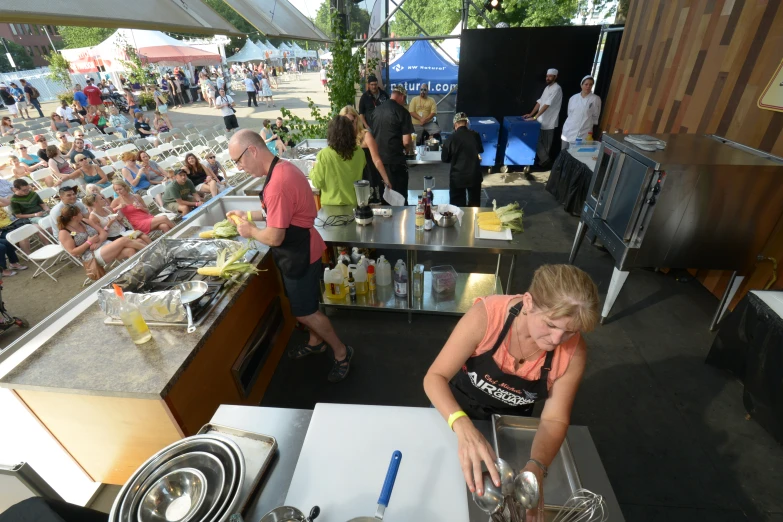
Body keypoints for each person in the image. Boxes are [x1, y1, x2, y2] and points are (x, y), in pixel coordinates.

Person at [423, 264, 599, 520]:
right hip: (453, 410)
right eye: (550, 324)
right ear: (528, 302)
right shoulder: (487, 317)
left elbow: (554, 419)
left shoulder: (574, 352)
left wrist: (537, 467)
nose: (557, 339)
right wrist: (462, 426)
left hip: (508, 425)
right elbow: (434, 378)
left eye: (570, 331)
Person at [226, 129, 355, 382]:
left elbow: (275, 237)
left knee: (305, 312)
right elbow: (280, 212)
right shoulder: (282, 168)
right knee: (309, 305)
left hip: (300, 255)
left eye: (238, 161)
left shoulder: (277, 184)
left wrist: (249, 230)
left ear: (252, 150)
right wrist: (250, 215)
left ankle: (341, 352)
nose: (239, 167)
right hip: (306, 249)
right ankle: (316, 341)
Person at [57, 204, 144, 278]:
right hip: (91, 255)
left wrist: (98, 242)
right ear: (74, 217)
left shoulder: (85, 221)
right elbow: (73, 252)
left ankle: (140, 273)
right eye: (80, 212)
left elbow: (103, 233)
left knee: (130, 250)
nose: (82, 213)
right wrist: (88, 243)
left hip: (104, 245)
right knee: (123, 240)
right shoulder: (64, 233)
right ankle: (153, 250)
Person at [369, 85, 414, 204]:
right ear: (402, 97)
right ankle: (401, 222)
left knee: (384, 199)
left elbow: (372, 135)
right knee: (399, 199)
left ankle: (385, 222)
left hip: (378, 161)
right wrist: (408, 149)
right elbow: (406, 141)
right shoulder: (402, 112)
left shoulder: (376, 111)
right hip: (396, 162)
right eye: (404, 100)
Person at [309, 116, 366, 206]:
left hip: (331, 207)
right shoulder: (359, 152)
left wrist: (313, 169)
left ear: (331, 133)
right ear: (351, 132)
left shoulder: (324, 154)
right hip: (354, 204)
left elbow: (317, 183)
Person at [523, 68, 563, 170]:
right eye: (547, 76)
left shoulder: (556, 89)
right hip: (540, 120)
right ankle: (545, 161)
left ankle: (544, 163)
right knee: (537, 140)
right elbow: (540, 102)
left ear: (555, 77)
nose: (548, 78)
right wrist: (531, 114)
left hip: (549, 121)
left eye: (550, 76)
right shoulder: (547, 88)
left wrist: (535, 117)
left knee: (546, 144)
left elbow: (546, 105)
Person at [441, 113, 484, 207]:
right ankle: (473, 220)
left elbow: (444, 158)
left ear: (455, 124)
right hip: (474, 175)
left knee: (457, 207)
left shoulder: (451, 138)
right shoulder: (475, 135)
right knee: (474, 205)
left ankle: (460, 221)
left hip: (458, 177)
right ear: (466, 123)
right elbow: (480, 150)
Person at [110, 179, 175, 235]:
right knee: (163, 218)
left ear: (125, 187)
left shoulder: (136, 196)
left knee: (164, 226)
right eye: (116, 190)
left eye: (120, 189)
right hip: (138, 223)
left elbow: (147, 211)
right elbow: (109, 213)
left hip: (147, 218)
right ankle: (180, 231)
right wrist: (117, 207)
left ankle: (173, 241)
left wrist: (141, 208)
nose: (118, 191)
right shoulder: (117, 201)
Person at [83, 193, 151, 243]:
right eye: (101, 199)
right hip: (115, 237)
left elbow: (119, 222)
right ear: (95, 203)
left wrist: (119, 218)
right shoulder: (93, 217)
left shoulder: (108, 208)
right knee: (139, 241)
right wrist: (109, 224)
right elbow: (102, 234)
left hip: (124, 231)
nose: (104, 200)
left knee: (144, 236)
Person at [560, 75, 601, 151]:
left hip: (584, 132)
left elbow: (595, 116)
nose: (588, 86)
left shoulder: (595, 99)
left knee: (577, 155)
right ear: (581, 85)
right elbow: (569, 113)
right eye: (586, 84)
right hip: (569, 130)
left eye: (590, 84)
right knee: (564, 152)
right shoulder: (573, 98)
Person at [0, 200, 29, 276]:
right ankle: (2, 270)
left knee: (7, 242)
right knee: (1, 247)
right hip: (3, 229)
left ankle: (13, 263)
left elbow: (6, 203)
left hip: (7, 226)